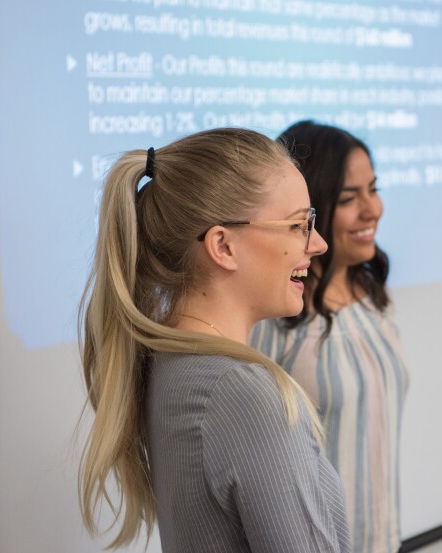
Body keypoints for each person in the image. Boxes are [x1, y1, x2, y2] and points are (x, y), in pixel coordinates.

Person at [78, 128, 351, 553]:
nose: (318, 243)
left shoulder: (169, 361)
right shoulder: (243, 392)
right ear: (223, 246)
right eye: (299, 225)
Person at [250, 121, 410, 553]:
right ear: (310, 209)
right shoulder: (274, 318)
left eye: (373, 189)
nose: (372, 209)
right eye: (348, 199)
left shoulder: (375, 296)